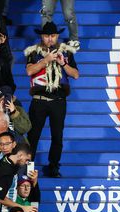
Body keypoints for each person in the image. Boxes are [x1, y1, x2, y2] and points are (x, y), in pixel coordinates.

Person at [25, 21, 79, 178]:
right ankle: (29, 169)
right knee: (32, 137)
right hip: (39, 99)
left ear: (57, 36)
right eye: (47, 36)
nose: (50, 39)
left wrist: (63, 63)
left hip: (58, 100)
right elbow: (29, 71)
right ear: (42, 36)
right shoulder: (33, 52)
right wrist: (45, 60)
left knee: (57, 137)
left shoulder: (66, 53)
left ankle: (53, 167)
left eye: (53, 36)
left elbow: (75, 74)